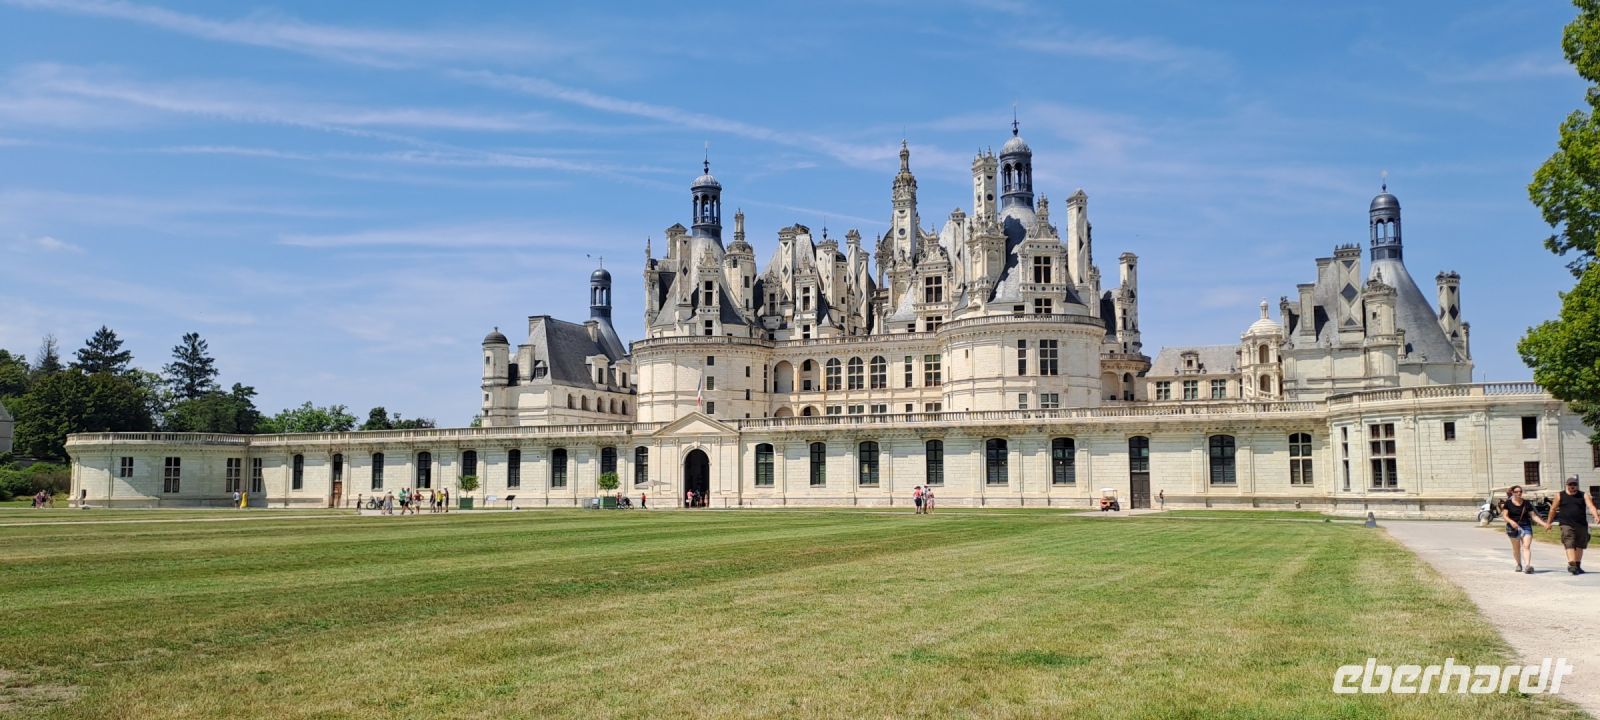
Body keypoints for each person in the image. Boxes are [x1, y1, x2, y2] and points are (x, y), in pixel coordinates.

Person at [1547, 475, 1600, 575]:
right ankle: (1572, 564)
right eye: (1570, 484)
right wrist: (1548, 522)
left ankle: (1577, 565)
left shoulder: (1583, 495)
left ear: (1577, 485)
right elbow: (1553, 509)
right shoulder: (1560, 495)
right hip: (1566, 523)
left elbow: (1591, 506)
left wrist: (1596, 516)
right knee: (1569, 540)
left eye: (1574, 484)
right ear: (1567, 485)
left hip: (1581, 524)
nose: (1572, 486)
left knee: (1580, 544)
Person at [1503, 485, 1550, 573]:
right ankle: (1518, 564)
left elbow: (1533, 516)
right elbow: (1505, 516)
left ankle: (1528, 566)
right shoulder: (1508, 503)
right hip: (1513, 527)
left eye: (1520, 491)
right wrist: (1511, 522)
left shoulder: (1526, 503)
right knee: (1516, 548)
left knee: (1526, 546)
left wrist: (1544, 524)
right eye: (1516, 492)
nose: (1519, 493)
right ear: (1512, 493)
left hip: (1525, 526)